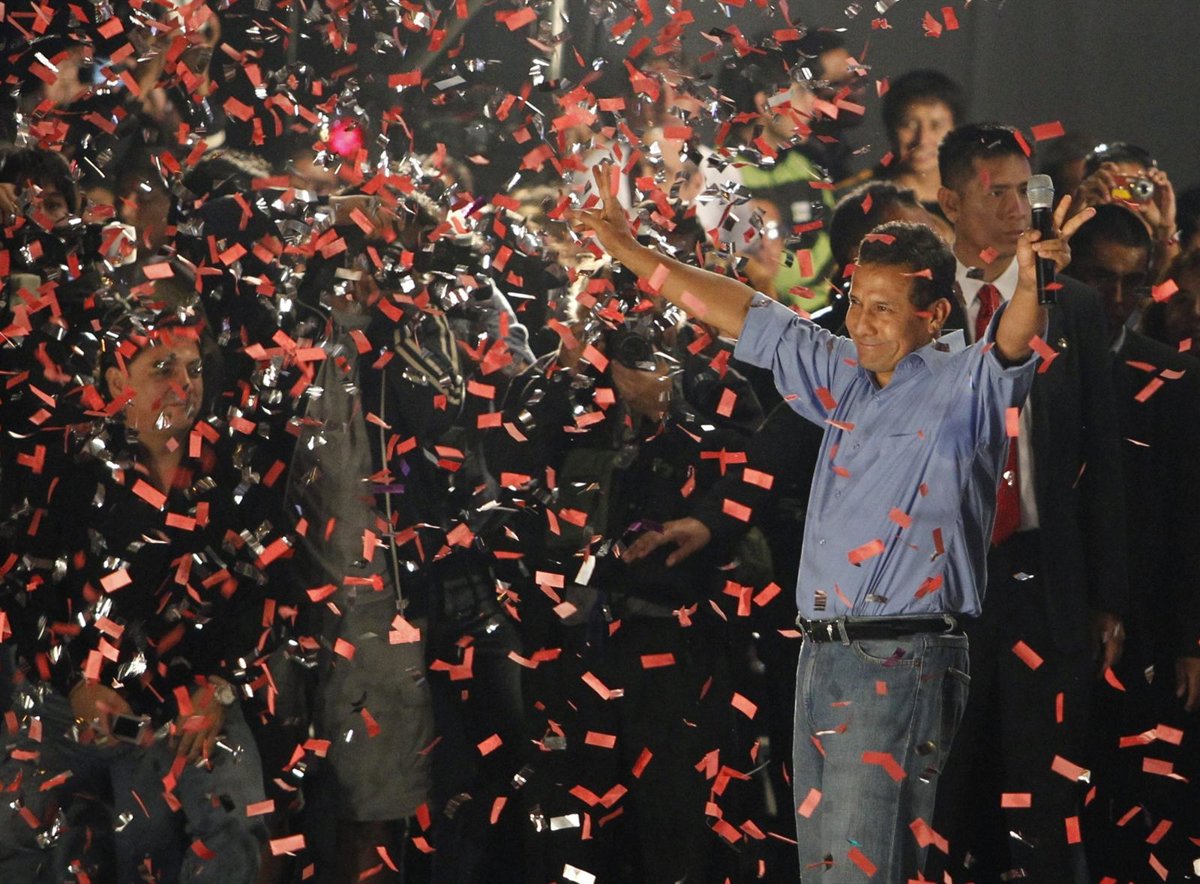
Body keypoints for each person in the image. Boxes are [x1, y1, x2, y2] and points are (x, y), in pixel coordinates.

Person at [576, 160, 1086, 880]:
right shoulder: (841, 372)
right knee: (827, 870)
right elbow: (743, 310)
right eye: (855, 302)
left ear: (934, 313)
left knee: (859, 871)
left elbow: (1014, 342)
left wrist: (1031, 283)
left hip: (900, 657)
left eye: (883, 308)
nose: (861, 323)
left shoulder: (965, 384)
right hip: (821, 654)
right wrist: (631, 253)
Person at [0, 293, 278, 882]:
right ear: (115, 381)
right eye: (162, 367)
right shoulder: (72, 468)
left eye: (193, 368)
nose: (184, 384)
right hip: (68, 703)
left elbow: (260, 594)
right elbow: (26, 586)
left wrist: (219, 687)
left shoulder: (232, 474)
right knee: (18, 837)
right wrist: (74, 683)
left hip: (186, 704)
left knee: (230, 825)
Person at [929, 123, 1128, 882]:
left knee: (1044, 800)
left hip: (1045, 575)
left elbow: (1103, 453)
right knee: (940, 794)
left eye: (1025, 191)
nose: (1017, 208)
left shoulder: (1070, 305)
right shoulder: (917, 301)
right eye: (997, 193)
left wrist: (1106, 595)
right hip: (941, 576)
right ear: (950, 202)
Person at [1067, 204, 1200, 878]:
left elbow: (1188, 516)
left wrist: (1189, 639)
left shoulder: (1174, 378)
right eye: (1101, 279)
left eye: (1132, 282)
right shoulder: (1035, 363)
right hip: (1053, 612)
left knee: (1142, 796)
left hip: (1147, 623)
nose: (1117, 299)